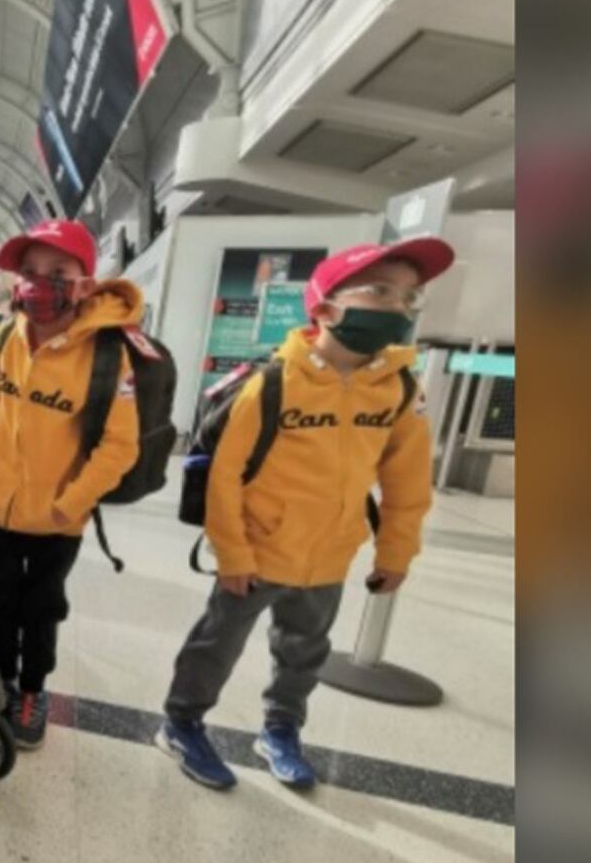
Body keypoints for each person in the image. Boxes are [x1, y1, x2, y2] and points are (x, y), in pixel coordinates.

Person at [156, 239, 448, 790]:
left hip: (329, 555)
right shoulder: (273, 382)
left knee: (304, 653)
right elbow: (225, 475)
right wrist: (232, 553)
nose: (398, 306)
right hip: (256, 553)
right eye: (380, 291)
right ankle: (182, 722)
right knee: (217, 644)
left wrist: (396, 551)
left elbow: (407, 481)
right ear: (326, 307)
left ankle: (281, 729)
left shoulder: (399, 389)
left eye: (410, 296)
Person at [0, 220, 143, 750]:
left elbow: (120, 445)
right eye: (29, 271)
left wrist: (73, 502)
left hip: (59, 519)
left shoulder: (108, 354)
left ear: (85, 284)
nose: (39, 282)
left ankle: (33, 689)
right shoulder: (6, 337)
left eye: (57, 271)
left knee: (42, 607)